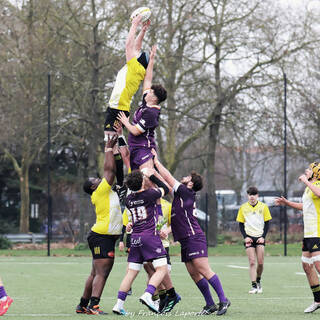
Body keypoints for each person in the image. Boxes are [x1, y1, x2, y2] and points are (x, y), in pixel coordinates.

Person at [152, 150, 231, 316]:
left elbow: (167, 177)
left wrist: (156, 163)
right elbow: (165, 186)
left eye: (187, 177)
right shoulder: (180, 195)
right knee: (194, 273)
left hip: (194, 237)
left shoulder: (185, 192)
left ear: (190, 184)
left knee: (204, 270)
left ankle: (223, 300)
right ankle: (210, 304)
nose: (184, 178)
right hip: (186, 240)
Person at [112, 169, 179, 315]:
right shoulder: (150, 194)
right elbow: (166, 188)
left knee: (131, 272)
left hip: (135, 238)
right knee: (162, 269)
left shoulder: (128, 200)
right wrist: (152, 176)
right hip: (149, 236)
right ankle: (148, 295)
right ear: (142, 181)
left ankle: (119, 304)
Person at [75, 135, 123, 315]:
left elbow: (115, 170)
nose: (99, 179)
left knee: (95, 273)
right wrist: (108, 149)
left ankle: (82, 305)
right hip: (102, 237)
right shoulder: (101, 191)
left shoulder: (103, 191)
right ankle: (93, 306)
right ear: (94, 187)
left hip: (101, 236)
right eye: (95, 180)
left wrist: (115, 151)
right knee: (102, 273)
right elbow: (109, 170)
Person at [275, 162, 320, 313]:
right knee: (306, 266)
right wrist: (287, 202)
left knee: (319, 266)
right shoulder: (309, 188)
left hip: (317, 233)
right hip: (308, 234)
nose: (306, 170)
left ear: (315, 172)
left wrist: (306, 181)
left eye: (309, 169)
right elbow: (304, 206)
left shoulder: (317, 184)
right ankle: (318, 300)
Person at [117, 44, 167, 171]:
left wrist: (125, 122)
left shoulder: (151, 113)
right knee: (137, 182)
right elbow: (148, 79)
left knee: (146, 180)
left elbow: (135, 131)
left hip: (144, 150)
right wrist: (152, 58)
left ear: (155, 98)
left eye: (151, 92)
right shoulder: (147, 102)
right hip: (135, 147)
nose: (148, 91)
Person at [104, 14, 150, 140]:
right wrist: (143, 30)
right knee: (112, 146)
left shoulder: (134, 67)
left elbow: (129, 46)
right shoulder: (138, 68)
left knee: (110, 147)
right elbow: (136, 47)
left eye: (138, 54)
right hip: (119, 108)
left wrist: (134, 25)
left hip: (117, 108)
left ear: (138, 60)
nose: (137, 51)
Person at [236, 186, 272, 294]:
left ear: (257, 196)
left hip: (260, 237)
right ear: (247, 196)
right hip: (249, 238)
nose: (252, 197)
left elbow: (267, 223)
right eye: (250, 195)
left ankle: (258, 280)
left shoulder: (264, 207)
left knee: (260, 263)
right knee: (252, 262)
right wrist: (245, 237)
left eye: (254, 195)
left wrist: (263, 237)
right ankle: (253, 286)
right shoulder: (243, 207)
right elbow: (241, 224)